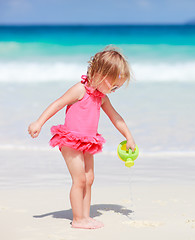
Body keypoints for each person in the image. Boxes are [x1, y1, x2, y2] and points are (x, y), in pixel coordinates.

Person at [28, 45, 136, 229]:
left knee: (89, 178)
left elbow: (115, 117)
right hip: (70, 140)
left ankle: (85, 216)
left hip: (88, 141)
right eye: (114, 86)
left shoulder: (101, 98)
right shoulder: (79, 90)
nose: (114, 90)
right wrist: (39, 122)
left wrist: (129, 136)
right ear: (102, 74)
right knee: (79, 180)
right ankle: (78, 219)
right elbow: (58, 104)